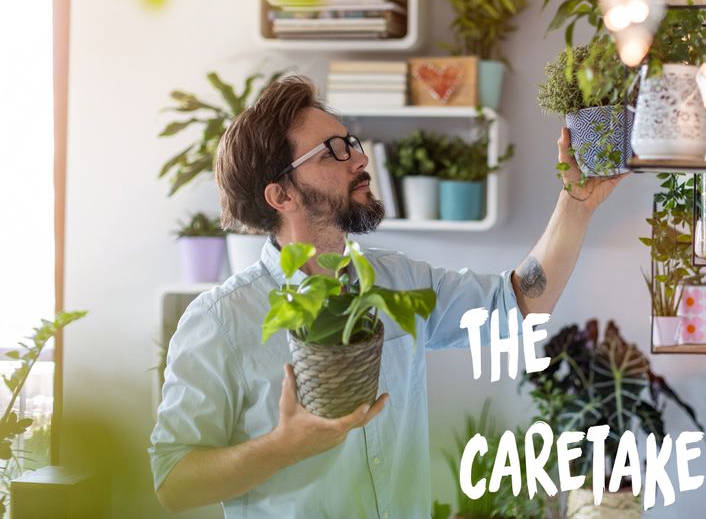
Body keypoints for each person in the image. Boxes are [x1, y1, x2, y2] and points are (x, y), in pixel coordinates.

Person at [149, 75, 625, 517]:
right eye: (332, 151)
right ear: (281, 196)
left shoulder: (397, 281)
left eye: (351, 143)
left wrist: (575, 206)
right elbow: (173, 482)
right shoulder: (219, 322)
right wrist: (284, 445)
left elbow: (518, 307)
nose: (360, 159)